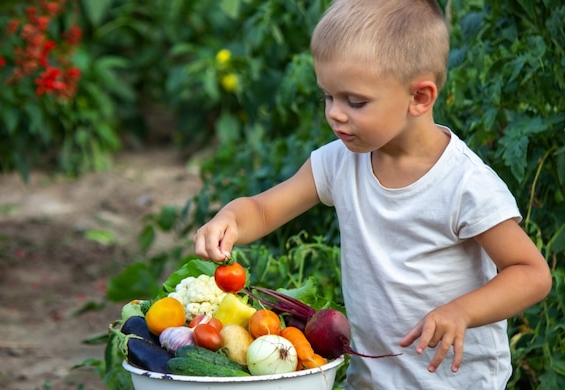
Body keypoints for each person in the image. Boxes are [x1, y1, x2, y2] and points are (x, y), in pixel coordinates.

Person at [193, 0, 553, 388]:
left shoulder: (463, 183)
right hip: (374, 379)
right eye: (327, 96)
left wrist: (462, 311)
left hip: (454, 381)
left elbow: (530, 273)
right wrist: (229, 218)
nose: (335, 114)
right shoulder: (339, 162)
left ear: (419, 98)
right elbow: (263, 211)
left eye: (355, 101)